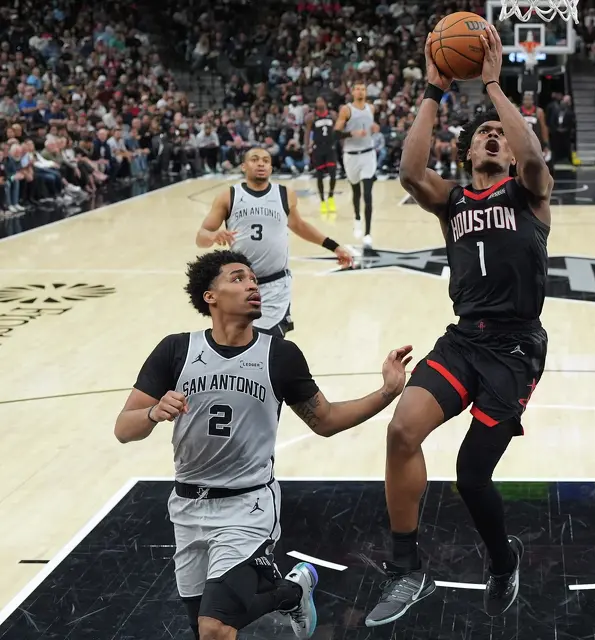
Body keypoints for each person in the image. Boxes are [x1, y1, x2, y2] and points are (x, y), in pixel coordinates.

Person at [113, 250, 414, 640]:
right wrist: (153, 412)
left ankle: (284, 590)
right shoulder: (176, 350)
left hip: (248, 506)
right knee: (200, 627)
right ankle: (291, 591)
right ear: (210, 296)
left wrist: (387, 392)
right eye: (238, 278)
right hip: (187, 508)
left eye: (254, 279)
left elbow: (325, 421)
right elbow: (123, 428)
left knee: (215, 628)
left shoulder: (279, 355)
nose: (253, 285)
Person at [363, 25, 552, 627]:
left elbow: (533, 156)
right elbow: (410, 170)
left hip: (516, 348)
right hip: (464, 337)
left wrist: (496, 89)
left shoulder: (530, 195)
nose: (495, 137)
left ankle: (502, 561)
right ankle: (405, 567)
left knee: (472, 476)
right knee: (400, 434)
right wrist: (432, 89)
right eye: (484, 137)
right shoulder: (453, 204)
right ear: (468, 155)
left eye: (501, 134)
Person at [195, 147, 354, 338]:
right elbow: (201, 237)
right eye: (254, 159)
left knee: (268, 346)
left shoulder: (285, 194)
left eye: (266, 160)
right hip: (239, 287)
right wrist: (212, 236)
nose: (261, 163)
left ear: (271, 168)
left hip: (276, 286)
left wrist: (334, 246)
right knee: (238, 343)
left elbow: (300, 226)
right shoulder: (228, 196)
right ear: (244, 166)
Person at [335, 82, 379, 247]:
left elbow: (372, 126)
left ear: (366, 92)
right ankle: (357, 218)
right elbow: (336, 133)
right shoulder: (346, 110)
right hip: (351, 156)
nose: (360, 91)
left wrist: (375, 128)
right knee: (356, 192)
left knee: (367, 194)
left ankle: (367, 233)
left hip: (368, 154)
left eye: (363, 89)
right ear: (352, 92)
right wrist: (351, 133)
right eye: (357, 89)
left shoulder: (371, 108)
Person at [305, 97, 338, 218]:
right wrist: (307, 147)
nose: (319, 103)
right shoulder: (311, 117)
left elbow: (339, 127)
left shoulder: (332, 115)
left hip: (330, 148)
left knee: (333, 174)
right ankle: (323, 201)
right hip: (318, 148)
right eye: (317, 101)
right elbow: (307, 133)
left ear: (325, 102)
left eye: (321, 101)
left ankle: (331, 197)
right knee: (319, 175)